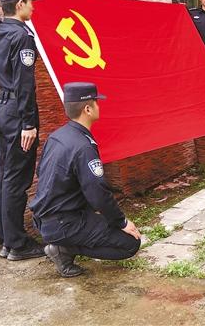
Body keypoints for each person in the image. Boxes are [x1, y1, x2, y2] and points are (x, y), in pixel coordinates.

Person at [30, 83, 141, 278]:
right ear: (87, 109)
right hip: (64, 222)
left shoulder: (57, 136)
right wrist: (122, 222)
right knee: (130, 243)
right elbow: (98, 193)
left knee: (99, 219)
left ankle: (64, 243)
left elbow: (42, 173)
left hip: (45, 219)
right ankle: (64, 249)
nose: (99, 106)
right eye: (96, 102)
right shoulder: (83, 146)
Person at [0, 0, 45, 261]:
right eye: (30, 2)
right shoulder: (22, 37)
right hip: (18, 114)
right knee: (16, 179)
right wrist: (29, 124)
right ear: (19, 4)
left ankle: (6, 240)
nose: (33, 7)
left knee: (2, 176)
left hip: (0, 113)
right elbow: (24, 85)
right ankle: (17, 244)